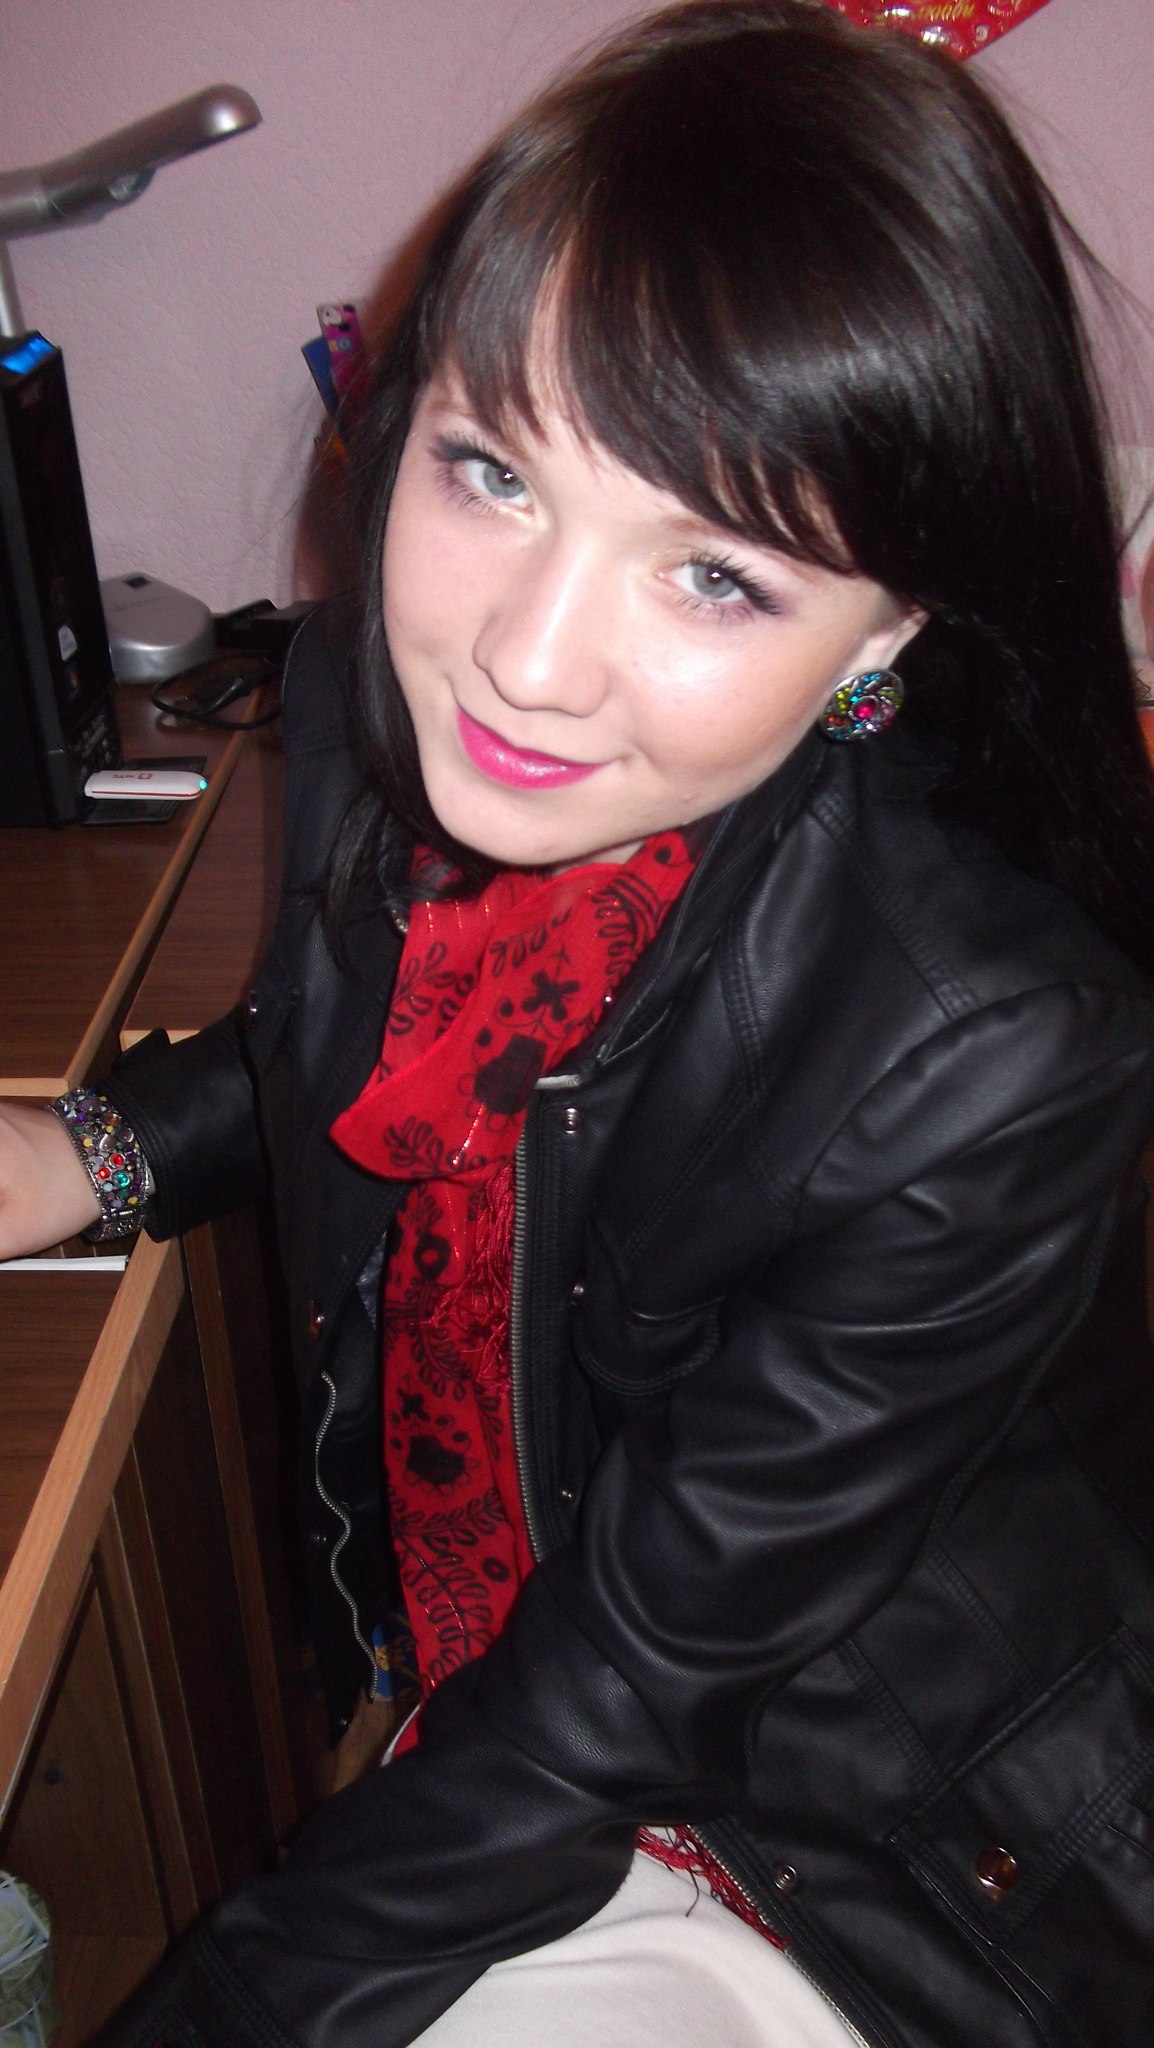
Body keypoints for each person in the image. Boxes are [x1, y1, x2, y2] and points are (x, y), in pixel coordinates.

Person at [3, 2, 1154, 2042]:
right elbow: (372, 1044)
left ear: (891, 619)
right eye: (493, 471)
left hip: (847, 1840)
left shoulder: (989, 1058)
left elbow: (615, 1706)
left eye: (715, 576)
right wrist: (93, 1150)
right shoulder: (377, 696)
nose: (526, 661)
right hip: (498, 1705)